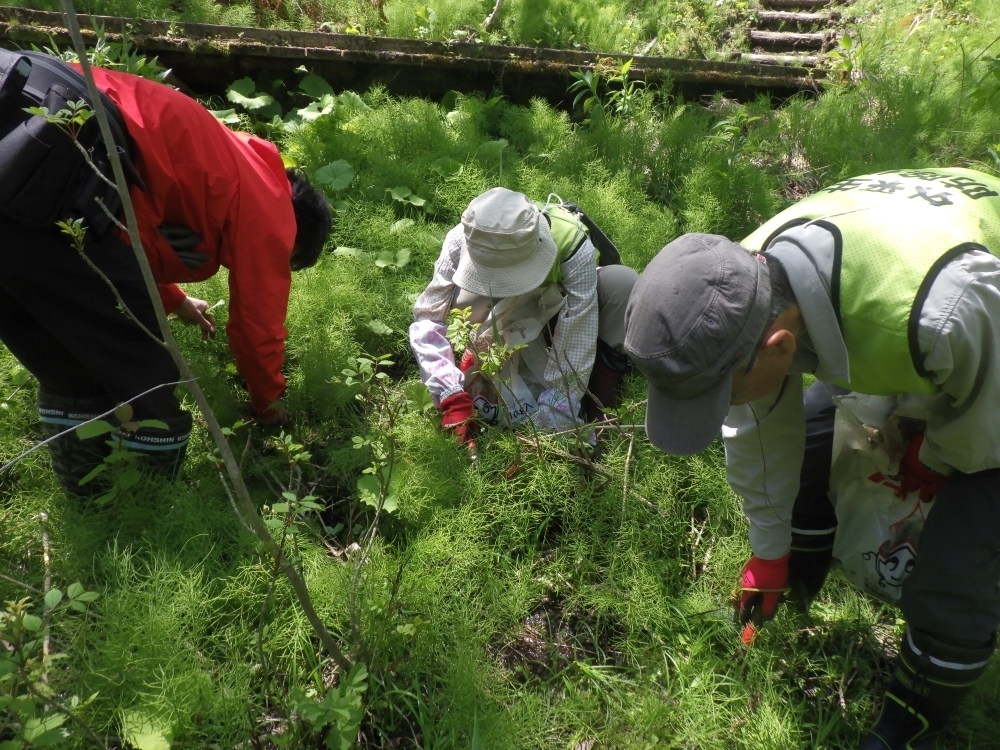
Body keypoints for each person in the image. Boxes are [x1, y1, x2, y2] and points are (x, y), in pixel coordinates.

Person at [623, 167, 1000, 749]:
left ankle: (916, 709)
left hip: (982, 332)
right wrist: (768, 552)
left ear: (781, 346)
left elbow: (988, 422)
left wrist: (939, 451)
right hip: (924, 302)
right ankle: (800, 575)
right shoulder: (738, 282)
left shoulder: (944, 314)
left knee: (959, 560)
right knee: (817, 442)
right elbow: (759, 429)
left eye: (723, 391)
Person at [0, 50, 332, 494]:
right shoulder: (270, 212)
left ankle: (91, 506)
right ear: (295, 234)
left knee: (65, 358)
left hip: (23, 106)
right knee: (147, 375)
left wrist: (174, 299)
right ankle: (145, 521)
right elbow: (258, 327)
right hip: (56, 151)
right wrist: (267, 404)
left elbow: (128, 226)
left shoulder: (232, 158)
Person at [410, 187, 638, 445]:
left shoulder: (572, 245)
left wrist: (553, 418)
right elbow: (428, 319)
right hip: (494, 317)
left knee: (622, 283)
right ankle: (478, 372)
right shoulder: (463, 238)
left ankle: (602, 414)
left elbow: (577, 333)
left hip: (553, 312)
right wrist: (449, 393)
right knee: (464, 301)